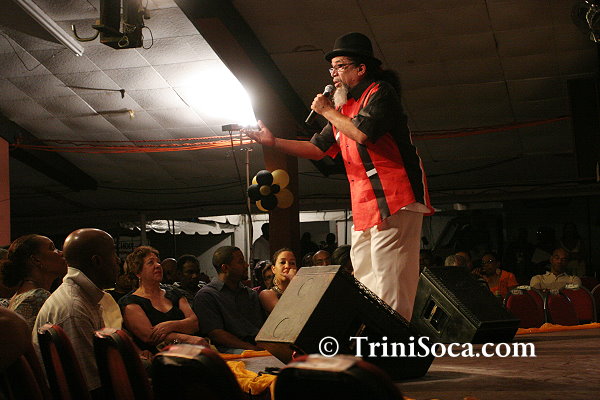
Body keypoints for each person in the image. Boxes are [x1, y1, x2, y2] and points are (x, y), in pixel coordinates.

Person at [244, 32, 434, 320]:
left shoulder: (380, 92)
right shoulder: (344, 108)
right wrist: (273, 142)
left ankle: (392, 340)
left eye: (340, 66)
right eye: (331, 68)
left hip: (394, 197)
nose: (333, 74)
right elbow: (317, 148)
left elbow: (363, 133)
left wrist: (327, 111)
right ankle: (373, 336)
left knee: (391, 278)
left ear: (361, 69)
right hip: (365, 203)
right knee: (365, 278)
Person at [32, 228, 120, 398]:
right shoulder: (74, 308)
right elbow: (90, 387)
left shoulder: (81, 296)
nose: (118, 260)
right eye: (113, 253)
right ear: (97, 261)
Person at [119, 246, 206, 353]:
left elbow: (194, 323)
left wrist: (170, 326)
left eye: (158, 262)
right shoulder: (130, 302)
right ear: (138, 272)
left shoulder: (173, 292)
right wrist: (188, 338)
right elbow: (151, 336)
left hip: (190, 352)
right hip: (158, 356)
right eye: (151, 262)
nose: (158, 265)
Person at [193, 246, 264, 352]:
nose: (246, 265)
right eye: (241, 262)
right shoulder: (206, 296)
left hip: (256, 346)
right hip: (228, 350)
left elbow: (260, 328)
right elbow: (216, 334)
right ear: (225, 268)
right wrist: (252, 348)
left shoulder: (250, 294)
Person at [0, 234, 67, 330]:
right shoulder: (38, 296)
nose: (61, 253)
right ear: (36, 260)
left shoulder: (18, 296)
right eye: (52, 248)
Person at [259, 248, 298, 315]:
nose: (287, 266)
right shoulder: (267, 294)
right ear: (273, 269)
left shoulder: (302, 290)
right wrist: (294, 281)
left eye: (292, 263)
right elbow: (286, 314)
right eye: (282, 262)